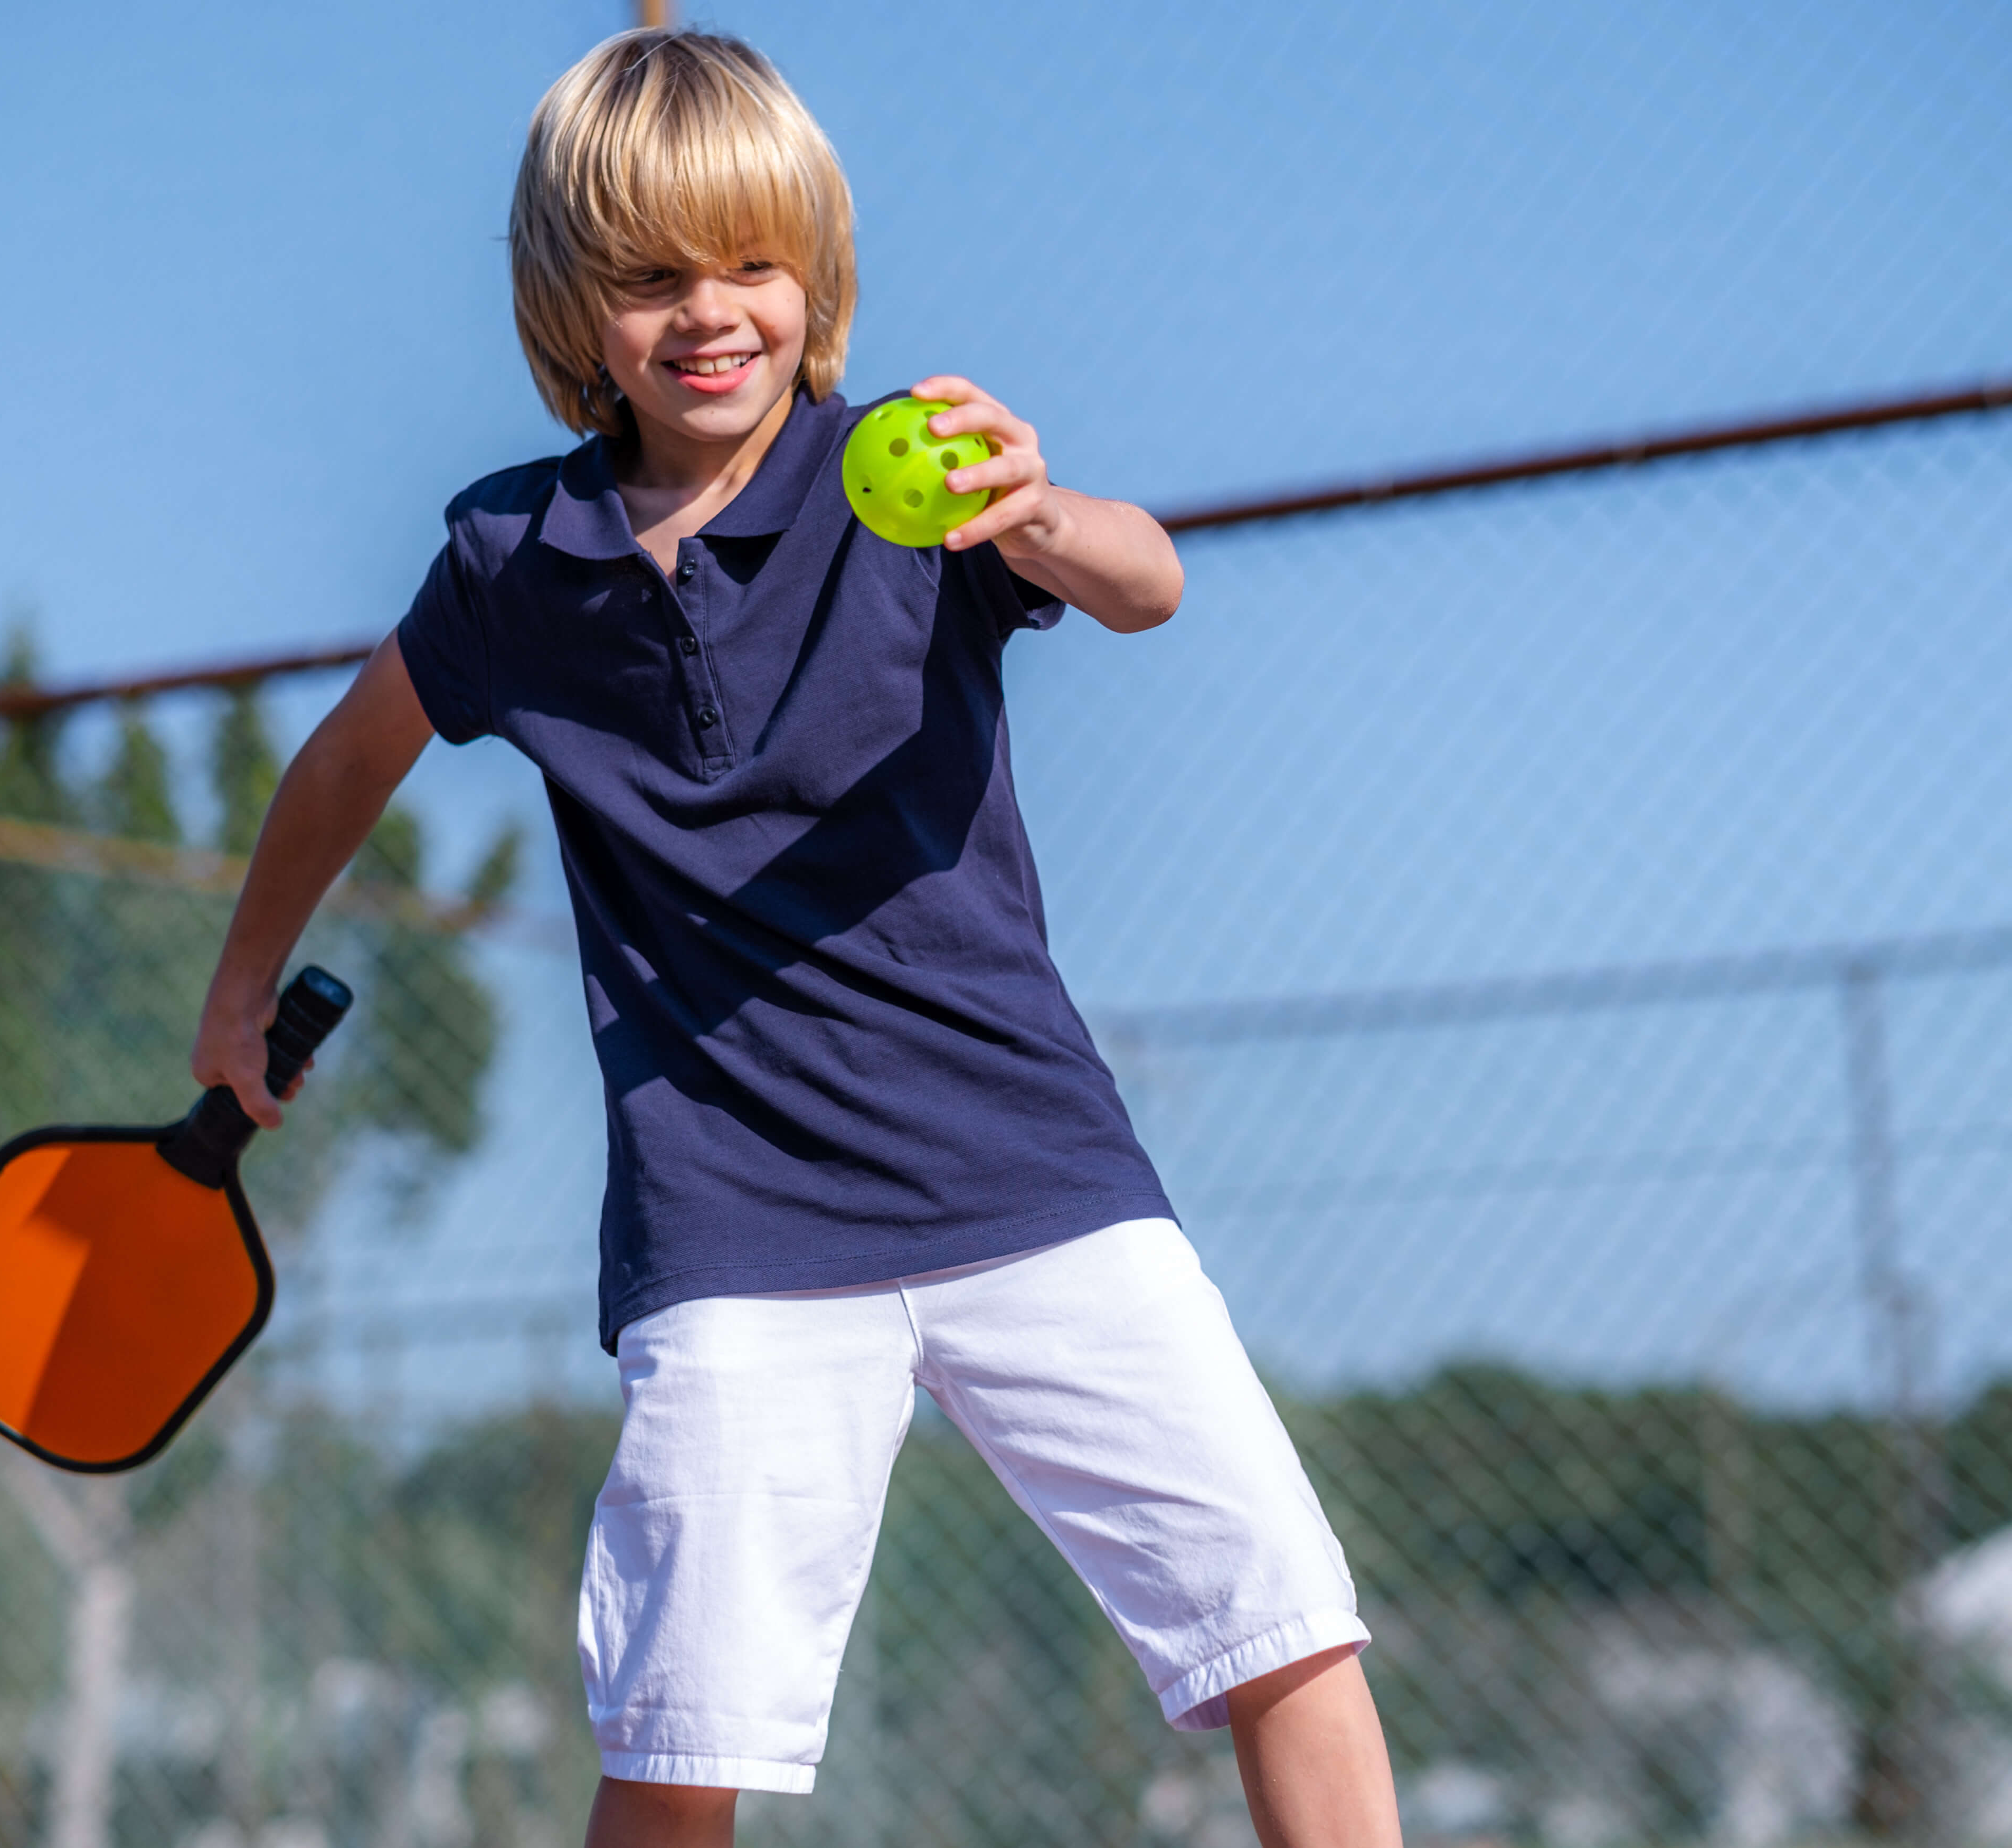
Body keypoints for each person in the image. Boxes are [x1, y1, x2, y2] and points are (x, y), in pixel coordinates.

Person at [191, 27, 1403, 1848]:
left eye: (751, 264)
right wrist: (233, 985)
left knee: (1281, 1626)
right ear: (568, 302)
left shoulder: (907, 478)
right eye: (651, 275)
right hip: (734, 1239)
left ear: (813, 276)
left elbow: (1146, 580)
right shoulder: (512, 564)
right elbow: (345, 756)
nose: (709, 313)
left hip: (1038, 1181)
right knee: (683, 1738)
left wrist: (1046, 511)